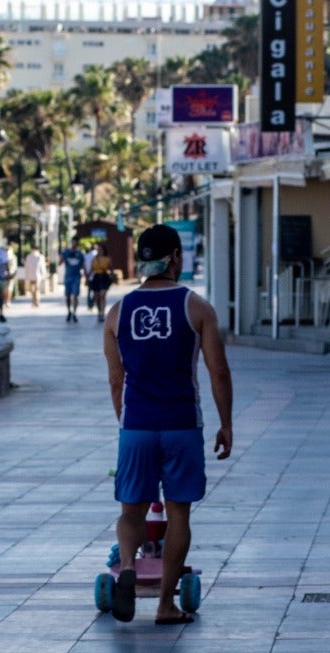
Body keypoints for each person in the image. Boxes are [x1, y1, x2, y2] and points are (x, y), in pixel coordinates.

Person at [102, 223, 232, 625]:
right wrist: (226, 423)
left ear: (142, 259)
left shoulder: (117, 312)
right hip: (181, 425)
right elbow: (218, 372)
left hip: (137, 425)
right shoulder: (197, 308)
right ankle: (164, 605)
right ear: (176, 257)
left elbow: (115, 378)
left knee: (131, 511)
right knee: (178, 514)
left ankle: (127, 566)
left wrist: (126, 421)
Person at [60, 243, 88, 323]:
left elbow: (83, 265)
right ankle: (69, 311)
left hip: (76, 277)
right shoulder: (66, 252)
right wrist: (63, 257)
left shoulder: (80, 254)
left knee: (75, 296)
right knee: (68, 296)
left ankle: (74, 313)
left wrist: (86, 276)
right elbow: (60, 262)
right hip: (68, 277)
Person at [89, 244, 115, 317]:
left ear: (104, 250)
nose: (100, 250)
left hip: (104, 277)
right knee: (97, 297)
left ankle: (102, 312)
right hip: (96, 277)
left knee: (102, 295)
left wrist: (112, 278)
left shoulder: (107, 259)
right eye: (99, 249)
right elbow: (91, 270)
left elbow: (111, 270)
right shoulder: (94, 259)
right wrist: (88, 278)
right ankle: (99, 311)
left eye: (101, 249)